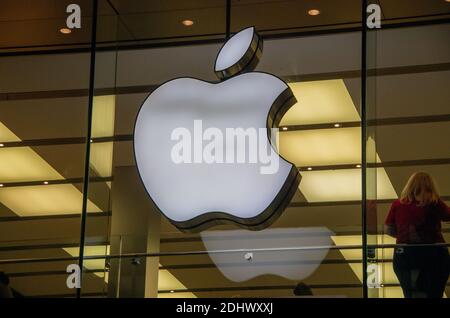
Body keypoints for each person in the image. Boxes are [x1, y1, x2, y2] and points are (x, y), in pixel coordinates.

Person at [385, 172, 450, 298]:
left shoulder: (398, 204)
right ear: (431, 186)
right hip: (434, 254)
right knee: (434, 293)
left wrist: (405, 236)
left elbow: (388, 229)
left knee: (410, 293)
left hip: (405, 255)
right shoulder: (434, 203)